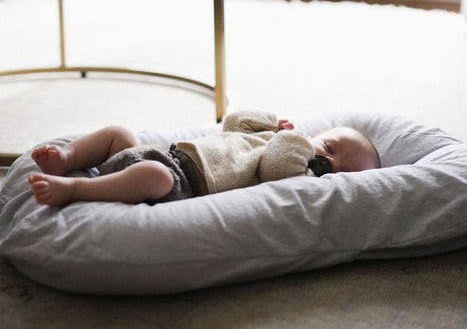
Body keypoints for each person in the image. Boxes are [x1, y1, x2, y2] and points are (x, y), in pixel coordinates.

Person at [28, 110, 380, 208]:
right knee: (119, 134)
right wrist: (271, 124)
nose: (329, 162)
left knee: (154, 175)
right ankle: (67, 157)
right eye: (329, 148)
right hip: (169, 155)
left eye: (341, 172)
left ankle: (75, 189)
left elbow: (277, 167)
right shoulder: (274, 138)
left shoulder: (297, 172)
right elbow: (233, 123)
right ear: (315, 135)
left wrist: (293, 140)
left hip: (178, 184)